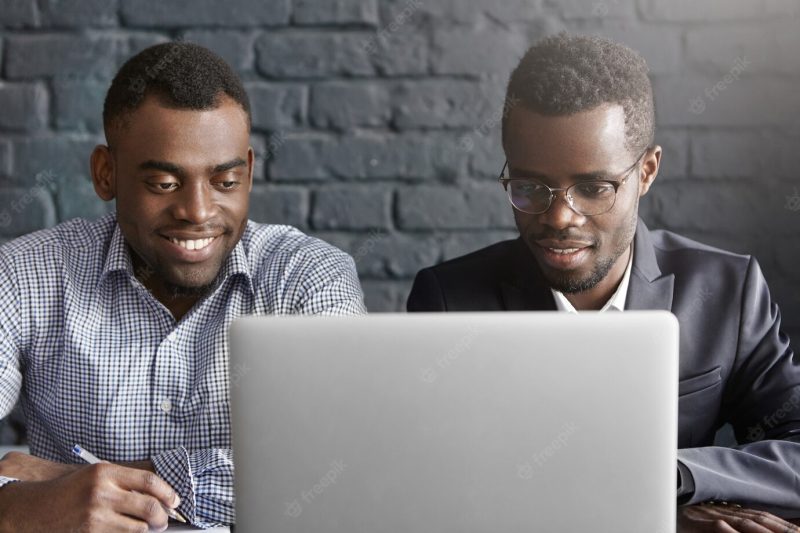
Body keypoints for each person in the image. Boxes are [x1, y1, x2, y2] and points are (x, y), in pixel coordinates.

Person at [407, 33, 800, 532]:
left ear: (648, 172)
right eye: (529, 188)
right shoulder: (449, 302)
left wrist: (673, 479)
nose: (559, 217)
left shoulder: (727, 290)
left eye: (593, 188)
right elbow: (430, 487)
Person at [0, 42, 365, 531]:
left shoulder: (311, 279)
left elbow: (342, 473)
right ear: (106, 174)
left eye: (225, 181)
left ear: (250, 172)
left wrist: (80, 484)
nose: (198, 211)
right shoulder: (25, 275)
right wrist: (12, 506)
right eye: (164, 184)